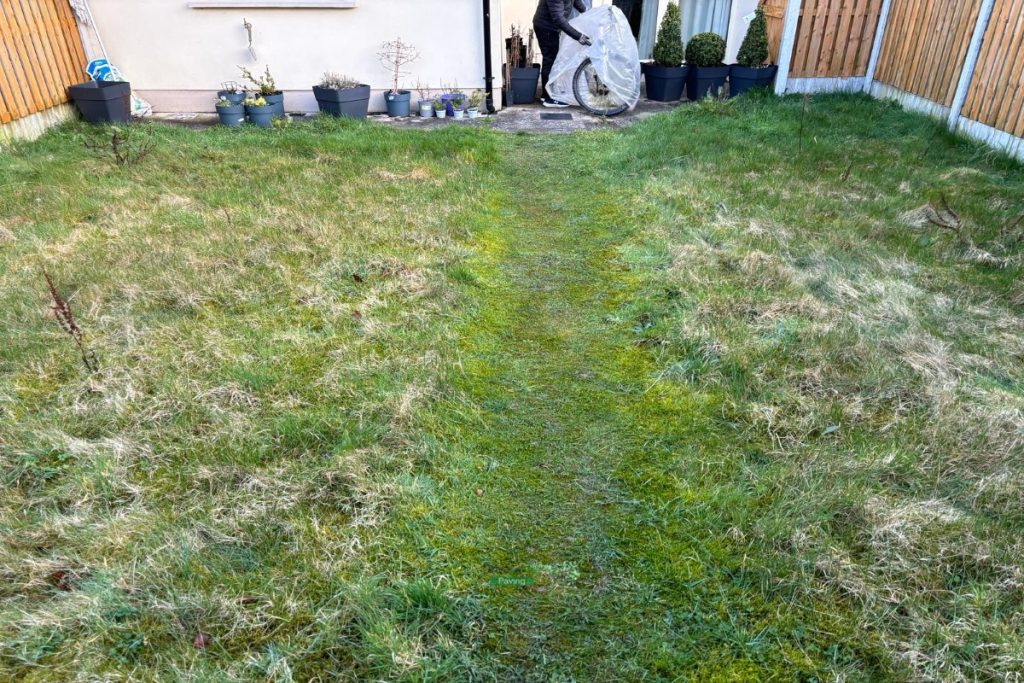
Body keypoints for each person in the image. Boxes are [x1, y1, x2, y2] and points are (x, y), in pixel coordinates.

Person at [533, 0, 593, 107]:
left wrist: (590, 15)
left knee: (551, 59)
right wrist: (578, 36)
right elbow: (558, 19)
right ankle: (549, 98)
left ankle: (545, 94)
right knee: (550, 59)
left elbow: (577, 3)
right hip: (546, 27)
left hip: (551, 26)